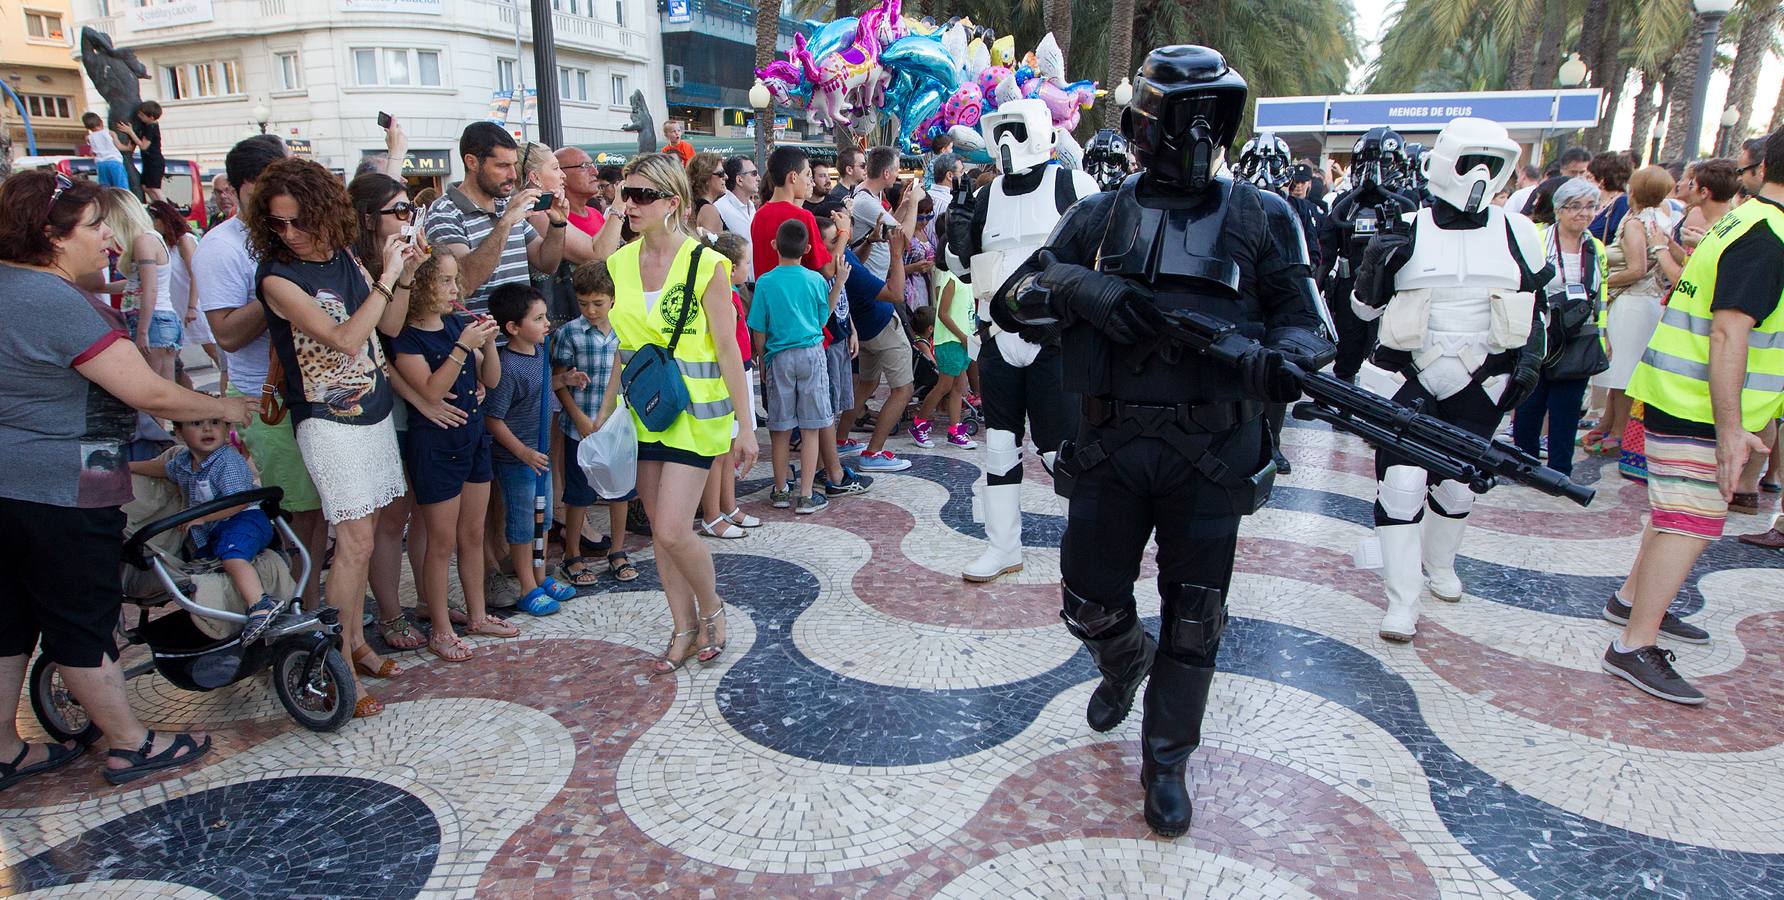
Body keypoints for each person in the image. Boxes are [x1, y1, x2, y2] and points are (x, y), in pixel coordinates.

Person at [1000, 46, 1335, 837]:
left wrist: (1280, 364)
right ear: (1145, 123)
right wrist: (1088, 286)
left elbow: (1307, 322)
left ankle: (1167, 759)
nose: (1194, 132)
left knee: (1195, 616)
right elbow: (1017, 298)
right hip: (1112, 449)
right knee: (1086, 597)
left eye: (1208, 116)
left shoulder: (1264, 216)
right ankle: (1123, 660)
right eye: (1180, 115)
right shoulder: (1098, 214)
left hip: (1210, 457)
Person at [0, 171, 257, 789]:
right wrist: (223, 408)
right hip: (63, 488)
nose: (106, 241)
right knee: (83, 616)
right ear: (51, 236)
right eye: (93, 228)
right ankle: (129, 743)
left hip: (12, 483)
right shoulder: (51, 300)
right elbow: (143, 390)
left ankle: (5, 749)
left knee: (10, 620)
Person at [1352, 117, 1550, 643]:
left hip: (1484, 377)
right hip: (1408, 374)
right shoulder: (1408, 226)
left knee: (1459, 487)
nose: (1480, 175)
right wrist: (1375, 266)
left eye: (1493, 163)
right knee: (1401, 486)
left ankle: (1440, 565)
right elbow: (1361, 311)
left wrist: (1531, 360)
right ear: (1444, 164)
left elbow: (1541, 309)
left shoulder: (1518, 231)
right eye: (1470, 162)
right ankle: (1401, 601)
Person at [1610, 129, 1784, 705]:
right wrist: (1735, 428)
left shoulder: (1748, 218)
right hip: (1699, 406)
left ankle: (1633, 603)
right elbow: (1732, 329)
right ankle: (1635, 645)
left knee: (1673, 516)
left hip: (1683, 395)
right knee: (1689, 520)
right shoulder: (1769, 236)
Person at [250, 156, 416, 717]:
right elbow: (348, 338)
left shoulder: (344, 254)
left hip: (370, 410)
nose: (290, 233)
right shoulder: (277, 276)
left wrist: (405, 269)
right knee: (354, 543)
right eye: (277, 223)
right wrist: (389, 277)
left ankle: (359, 643)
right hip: (324, 420)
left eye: (299, 221)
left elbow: (388, 327)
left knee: (366, 535)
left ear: (326, 215)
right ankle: (337, 659)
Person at [594, 153, 758, 673]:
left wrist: (746, 425)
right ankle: (683, 626)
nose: (631, 204)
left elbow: (730, 349)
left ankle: (713, 609)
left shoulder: (708, 264)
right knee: (661, 537)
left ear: (674, 203)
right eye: (626, 193)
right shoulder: (619, 263)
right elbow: (624, 349)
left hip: (698, 417)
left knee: (670, 529)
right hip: (645, 413)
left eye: (643, 195)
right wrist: (605, 412)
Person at [948, 96, 1101, 582]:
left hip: (1056, 340)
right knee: (997, 445)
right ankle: (1002, 546)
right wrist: (958, 236)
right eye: (1001, 129)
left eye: (1016, 128)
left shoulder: (1072, 184)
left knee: (1063, 452)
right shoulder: (987, 195)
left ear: (1037, 130)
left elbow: (1104, 259)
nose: (1007, 140)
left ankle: (1091, 547)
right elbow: (962, 268)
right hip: (997, 336)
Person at [392, 253, 517, 660]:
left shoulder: (455, 324)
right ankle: (442, 629)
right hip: (436, 445)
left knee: (472, 535)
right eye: (444, 282)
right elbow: (429, 390)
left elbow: (492, 380)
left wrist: (490, 344)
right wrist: (464, 347)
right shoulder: (407, 337)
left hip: (473, 438)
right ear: (422, 286)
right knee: (440, 543)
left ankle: (478, 615)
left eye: (454, 281)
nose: (454, 291)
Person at [127, 415, 283, 642]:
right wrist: (127, 467)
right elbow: (161, 468)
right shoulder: (183, 462)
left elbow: (238, 501)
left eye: (215, 423)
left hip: (245, 519)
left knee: (232, 557)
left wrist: (202, 518)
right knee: (202, 565)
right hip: (216, 532)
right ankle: (222, 618)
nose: (207, 429)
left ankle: (260, 604)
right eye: (196, 423)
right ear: (179, 433)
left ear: (227, 428)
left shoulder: (227, 460)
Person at [484, 283, 581, 616]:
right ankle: (527, 586)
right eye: (538, 319)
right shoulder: (506, 365)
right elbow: (493, 419)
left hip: (538, 458)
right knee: (523, 524)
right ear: (513, 327)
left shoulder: (540, 355)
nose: (547, 324)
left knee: (543, 519)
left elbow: (538, 388)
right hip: (517, 460)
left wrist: (563, 381)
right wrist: (522, 452)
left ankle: (540, 578)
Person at [1512, 177, 1609, 479]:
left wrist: (1602, 337)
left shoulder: (1595, 248)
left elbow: (1600, 296)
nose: (1583, 213)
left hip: (1577, 337)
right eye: (1575, 207)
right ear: (1558, 209)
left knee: (1566, 409)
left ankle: (1560, 470)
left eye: (1590, 207)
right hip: (1540, 333)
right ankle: (1524, 464)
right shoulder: (1538, 239)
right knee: (1530, 403)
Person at [553, 260, 640, 581]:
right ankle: (571, 554)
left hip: (617, 428)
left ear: (613, 299)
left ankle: (618, 550)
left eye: (598, 303)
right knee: (578, 494)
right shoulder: (569, 334)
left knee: (621, 492)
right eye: (584, 303)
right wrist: (579, 419)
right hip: (580, 428)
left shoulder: (625, 329)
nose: (591, 310)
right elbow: (558, 381)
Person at [425, 123, 567, 316]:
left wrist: (558, 224)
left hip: (520, 339)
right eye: (502, 166)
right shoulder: (444, 212)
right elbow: (465, 282)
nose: (513, 175)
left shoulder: (507, 203)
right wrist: (505, 223)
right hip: (476, 341)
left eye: (513, 165)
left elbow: (546, 263)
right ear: (472, 162)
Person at [752, 219, 844, 514]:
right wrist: (839, 283)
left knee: (779, 429)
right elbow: (821, 319)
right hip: (811, 354)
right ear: (807, 249)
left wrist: (762, 360)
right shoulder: (816, 281)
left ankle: (780, 490)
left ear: (774, 245)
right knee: (811, 427)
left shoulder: (765, 282)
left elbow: (759, 328)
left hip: (778, 357)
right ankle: (805, 495)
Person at [1319, 127, 1418, 385]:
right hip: (1348, 287)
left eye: (1382, 162)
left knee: (1383, 355)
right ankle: (1344, 403)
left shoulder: (1408, 203)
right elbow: (1325, 252)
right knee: (1347, 352)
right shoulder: (1344, 204)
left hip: (1389, 292)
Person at [1593, 166, 1679, 456]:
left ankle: (1619, 430)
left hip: (1632, 302)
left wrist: (1601, 281)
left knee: (1624, 369)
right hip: (1646, 301)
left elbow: (1637, 268)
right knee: (1624, 368)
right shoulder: (1661, 219)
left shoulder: (1635, 223)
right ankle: (1609, 422)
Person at [696, 233, 763, 537]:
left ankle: (729, 506)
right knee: (719, 450)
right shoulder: (721, 294)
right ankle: (712, 514)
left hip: (742, 370)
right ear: (732, 267)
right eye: (747, 261)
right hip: (725, 377)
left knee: (728, 448)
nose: (750, 266)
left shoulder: (733, 292)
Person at [105, 190, 180, 383]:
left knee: (154, 388)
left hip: (153, 319)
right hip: (159, 318)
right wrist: (103, 288)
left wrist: (142, 331)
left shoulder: (143, 241)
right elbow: (140, 284)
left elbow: (149, 288)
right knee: (165, 389)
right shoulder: (148, 239)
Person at [146, 199, 217, 392]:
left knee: (212, 349)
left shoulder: (184, 240)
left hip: (193, 306)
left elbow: (196, 273)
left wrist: (192, 307)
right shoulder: (162, 243)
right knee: (174, 360)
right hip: (176, 307)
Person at [909, 257, 977, 449]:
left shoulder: (967, 280)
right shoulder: (950, 278)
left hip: (963, 342)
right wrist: (962, 336)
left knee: (958, 388)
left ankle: (955, 429)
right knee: (944, 387)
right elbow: (943, 313)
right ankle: (918, 424)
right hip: (950, 342)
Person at [554, 146, 626, 267]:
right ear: (562, 175)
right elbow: (598, 259)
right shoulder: (556, 219)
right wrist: (619, 203)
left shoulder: (595, 213)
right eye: (585, 166)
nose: (595, 172)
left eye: (593, 165)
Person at [116, 101, 166, 203]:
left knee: (155, 188)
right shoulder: (145, 125)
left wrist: (130, 132)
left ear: (151, 117)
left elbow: (144, 146)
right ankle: (158, 205)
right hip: (147, 161)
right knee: (145, 187)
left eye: (142, 115)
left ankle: (166, 209)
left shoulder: (152, 127)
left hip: (154, 161)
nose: (139, 116)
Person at [1587, 151, 1633, 244]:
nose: (1585, 181)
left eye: (1589, 177)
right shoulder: (1598, 203)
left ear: (1601, 180)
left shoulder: (1622, 203)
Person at [713, 156, 759, 238]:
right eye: (754, 173)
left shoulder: (751, 207)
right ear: (739, 180)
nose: (758, 178)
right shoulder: (719, 209)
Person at [687, 152, 727, 238]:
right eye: (721, 173)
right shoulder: (708, 211)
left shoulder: (694, 206)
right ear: (706, 178)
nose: (726, 177)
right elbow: (715, 250)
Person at [85, 112, 129, 189]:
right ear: (101, 122)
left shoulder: (89, 137)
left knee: (105, 187)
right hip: (114, 161)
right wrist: (129, 147)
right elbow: (119, 146)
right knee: (121, 185)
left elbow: (92, 152)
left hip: (100, 164)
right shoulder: (110, 133)